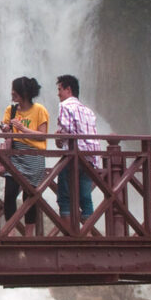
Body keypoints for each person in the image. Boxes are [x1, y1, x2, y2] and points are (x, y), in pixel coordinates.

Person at [1, 76, 49, 236]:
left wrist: (23, 129)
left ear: (25, 93)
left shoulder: (40, 110)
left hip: (33, 156)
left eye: (15, 90)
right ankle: (11, 231)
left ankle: (29, 235)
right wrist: (5, 128)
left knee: (30, 197)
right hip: (15, 155)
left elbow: (42, 136)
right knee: (9, 195)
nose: (12, 92)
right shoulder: (11, 110)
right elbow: (6, 127)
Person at [55, 74, 101, 224]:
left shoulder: (65, 106)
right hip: (89, 158)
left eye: (60, 89)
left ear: (68, 89)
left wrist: (58, 137)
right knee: (86, 199)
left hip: (72, 158)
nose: (58, 94)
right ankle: (86, 235)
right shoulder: (88, 111)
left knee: (65, 197)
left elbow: (67, 131)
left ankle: (70, 235)